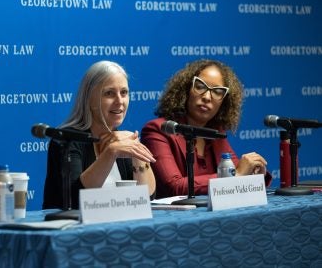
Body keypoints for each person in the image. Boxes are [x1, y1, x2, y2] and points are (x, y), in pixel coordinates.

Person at [141, 59, 272, 198]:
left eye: (217, 92)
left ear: (224, 102)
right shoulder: (159, 130)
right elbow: (174, 187)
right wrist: (236, 175)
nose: (207, 97)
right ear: (186, 89)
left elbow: (236, 174)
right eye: (200, 86)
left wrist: (253, 174)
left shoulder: (215, 133)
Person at [42, 60, 156, 210]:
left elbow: (146, 198)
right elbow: (75, 200)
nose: (119, 101)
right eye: (109, 93)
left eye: (124, 92)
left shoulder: (123, 139)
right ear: (89, 99)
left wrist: (136, 151)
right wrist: (111, 152)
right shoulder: (67, 140)